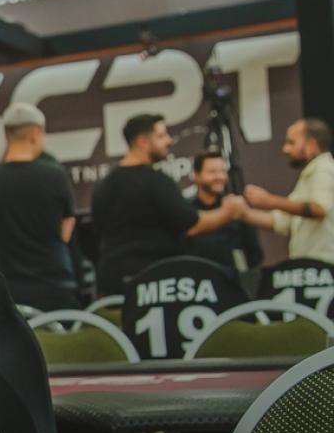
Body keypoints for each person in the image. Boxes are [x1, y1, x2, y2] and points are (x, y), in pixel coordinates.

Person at [91, 113, 246, 296]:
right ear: (143, 141)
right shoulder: (156, 181)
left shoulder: (103, 185)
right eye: (161, 135)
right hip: (154, 284)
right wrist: (229, 210)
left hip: (113, 282)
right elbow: (192, 225)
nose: (169, 140)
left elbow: (98, 232)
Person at [0, 105, 79, 311]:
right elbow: (67, 228)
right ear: (34, 134)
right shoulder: (56, 176)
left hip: (8, 293)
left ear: (6, 136)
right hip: (54, 289)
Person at [240, 118, 334, 264]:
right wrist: (242, 213)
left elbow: (319, 208)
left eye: (292, 142)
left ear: (311, 145)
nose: (285, 149)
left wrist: (269, 200)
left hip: (325, 269)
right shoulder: (308, 176)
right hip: (309, 267)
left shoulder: (324, 170)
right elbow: (279, 221)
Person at [187, 148, 263, 278]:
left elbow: (255, 254)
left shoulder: (237, 207)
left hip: (231, 282)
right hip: (194, 283)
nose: (220, 177)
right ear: (196, 175)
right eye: (212, 172)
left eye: (222, 171)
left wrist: (247, 281)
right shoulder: (186, 210)